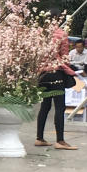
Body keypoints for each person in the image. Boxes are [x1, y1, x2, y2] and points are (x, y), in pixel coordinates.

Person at [36, 9, 78, 150]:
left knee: (45, 106)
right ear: (58, 19)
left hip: (42, 75)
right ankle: (60, 140)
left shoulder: (39, 33)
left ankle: (39, 138)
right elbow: (65, 56)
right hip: (56, 74)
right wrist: (68, 69)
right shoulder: (61, 34)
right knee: (59, 107)